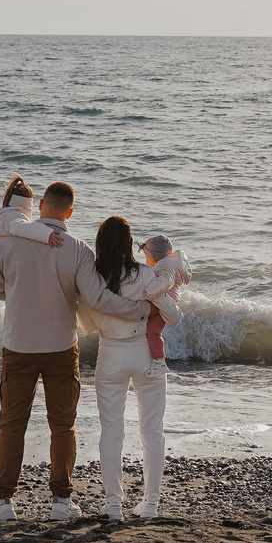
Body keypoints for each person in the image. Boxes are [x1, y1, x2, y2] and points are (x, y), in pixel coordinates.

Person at [0, 180, 153, 523]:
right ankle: (61, 502)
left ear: (41, 204)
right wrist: (141, 311)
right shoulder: (78, 249)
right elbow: (98, 299)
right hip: (61, 347)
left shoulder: (9, 244)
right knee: (62, 426)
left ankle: (4, 504)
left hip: (19, 346)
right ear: (70, 213)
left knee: (12, 424)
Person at [86, 218, 187, 520]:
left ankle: (114, 503)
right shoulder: (149, 274)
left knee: (112, 431)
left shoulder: (94, 279)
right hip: (147, 354)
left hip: (111, 353)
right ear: (131, 243)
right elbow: (173, 316)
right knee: (152, 430)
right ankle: (151, 504)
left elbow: (88, 325)